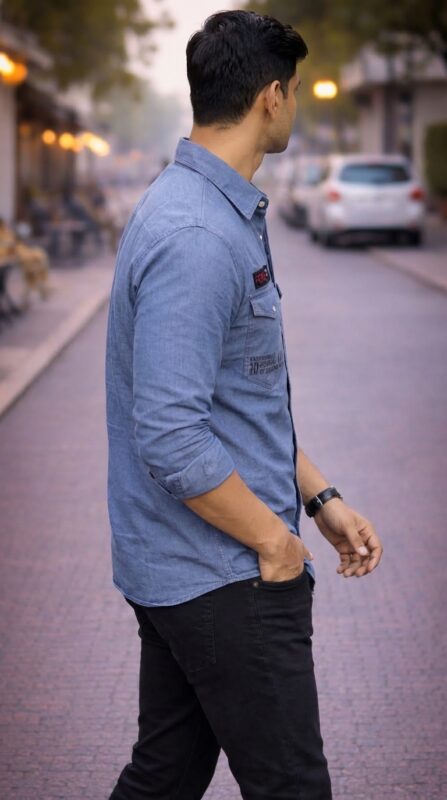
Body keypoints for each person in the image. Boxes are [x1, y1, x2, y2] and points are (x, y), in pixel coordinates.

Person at [105, 10, 383, 800]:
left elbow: (237, 398)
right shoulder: (197, 232)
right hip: (225, 575)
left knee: (164, 776)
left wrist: (318, 497)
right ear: (271, 97)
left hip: (192, 567)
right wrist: (275, 543)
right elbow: (170, 434)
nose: (294, 104)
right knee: (292, 786)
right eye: (294, 89)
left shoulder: (207, 208)